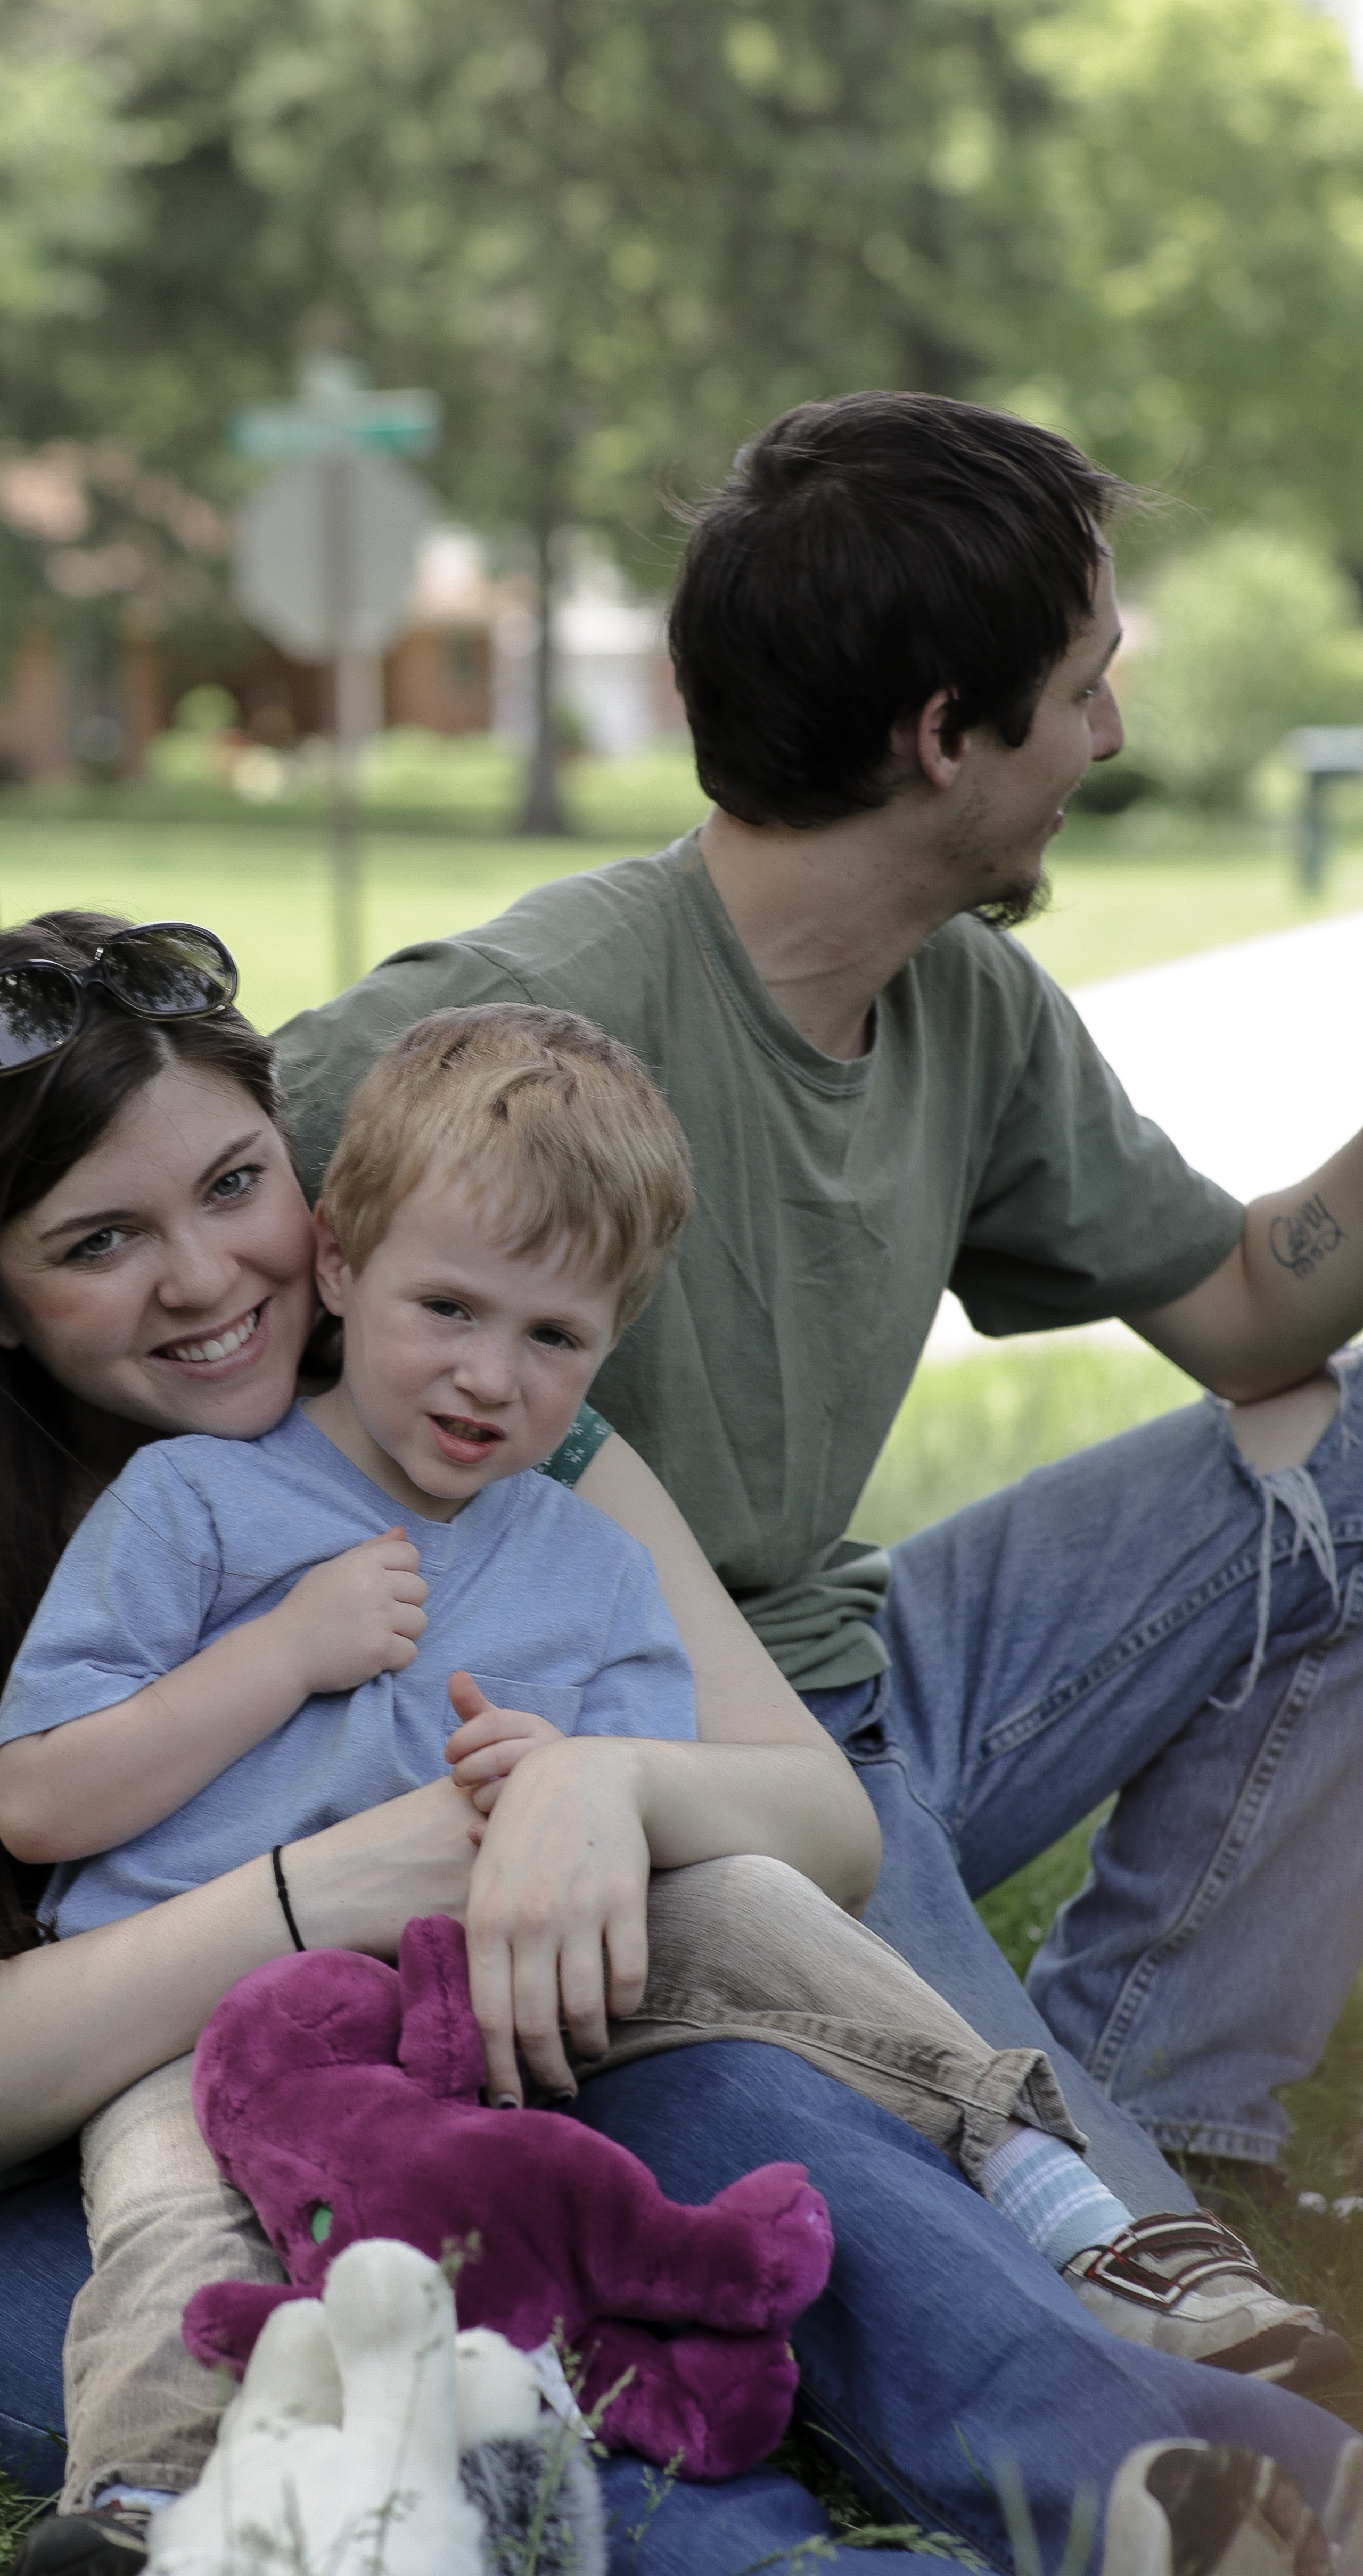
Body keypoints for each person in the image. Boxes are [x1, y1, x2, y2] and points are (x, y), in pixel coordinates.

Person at [0, 910, 1361, 2576]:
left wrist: (609, 1793)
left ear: (315, 1199)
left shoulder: (466, 1415)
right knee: (479, 2374)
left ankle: (1291, 2535)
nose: (209, 1277)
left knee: (798, 2173)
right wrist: (322, 1893)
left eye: (237, 1187)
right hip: (67, 2203)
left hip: (480, 2028)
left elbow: (814, 1825)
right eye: (97, 1244)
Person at [260, 391, 1363, 2195]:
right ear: (946, 735)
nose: (1106, 730)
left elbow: (1251, 1314)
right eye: (1085, 684)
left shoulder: (970, 1007)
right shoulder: (525, 1013)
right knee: (1103, 2262)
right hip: (653, 1767)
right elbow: (59, 1180)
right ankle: (1124, 2191)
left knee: (1357, 1452)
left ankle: (1174, 2104)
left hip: (868, 1693)